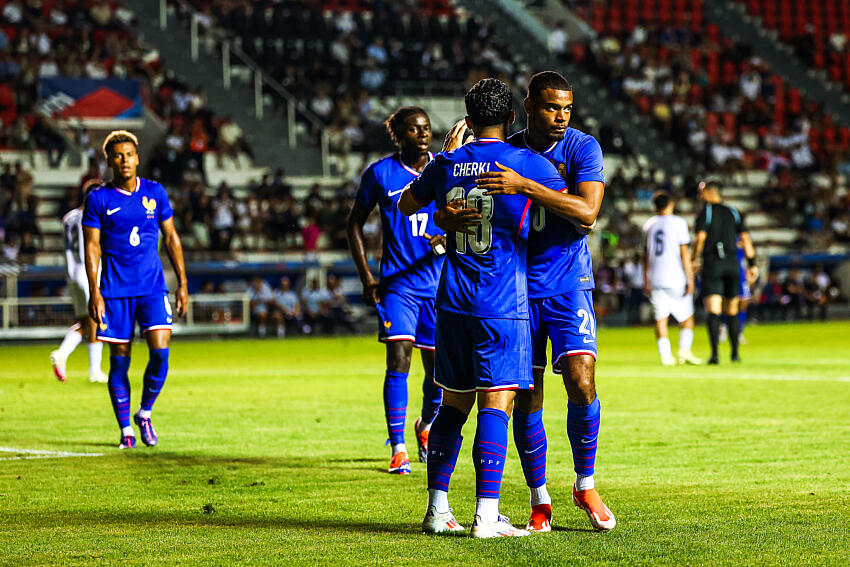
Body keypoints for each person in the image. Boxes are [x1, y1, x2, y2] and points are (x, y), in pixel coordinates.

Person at [441, 71, 615, 533]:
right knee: (527, 394)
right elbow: (455, 208)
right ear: (528, 106)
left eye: (566, 108)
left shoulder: (581, 148)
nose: (560, 118)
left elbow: (588, 214)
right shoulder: (506, 150)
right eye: (551, 108)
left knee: (581, 377)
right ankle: (540, 497)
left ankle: (585, 482)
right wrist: (446, 211)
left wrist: (526, 186)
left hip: (567, 281)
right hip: (514, 287)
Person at [399, 78, 566, 538]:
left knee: (453, 403)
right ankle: (487, 516)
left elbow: (407, 203)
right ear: (512, 118)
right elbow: (578, 208)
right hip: (501, 301)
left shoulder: (448, 161)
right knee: (497, 403)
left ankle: (437, 510)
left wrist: (442, 195)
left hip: (451, 300)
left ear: (467, 120)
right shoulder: (527, 164)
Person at [346, 106, 445, 476]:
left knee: (438, 372)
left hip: (439, 286)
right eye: (414, 129)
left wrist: (448, 234)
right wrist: (366, 276)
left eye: (427, 128)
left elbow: (468, 214)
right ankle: (398, 446)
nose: (422, 134)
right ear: (398, 135)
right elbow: (354, 224)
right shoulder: (380, 174)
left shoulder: (447, 168)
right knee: (398, 359)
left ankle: (426, 427)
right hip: (397, 285)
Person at [82, 130, 188, 449]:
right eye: (118, 155)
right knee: (119, 361)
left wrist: (182, 284)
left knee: (161, 354)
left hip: (152, 288)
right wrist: (94, 291)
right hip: (114, 291)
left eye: (129, 154)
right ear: (109, 160)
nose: (124, 160)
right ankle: (126, 429)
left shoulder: (156, 193)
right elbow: (92, 247)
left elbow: (171, 239)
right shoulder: (99, 198)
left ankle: (145, 412)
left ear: (137, 158)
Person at [692, 179, 757, 364]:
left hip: (713, 264)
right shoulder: (734, 212)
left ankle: (714, 355)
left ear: (710, 192)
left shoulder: (706, 212)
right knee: (732, 309)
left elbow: (700, 237)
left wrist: (694, 257)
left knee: (714, 309)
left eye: (701, 191)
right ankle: (735, 354)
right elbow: (746, 239)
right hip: (733, 265)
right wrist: (752, 264)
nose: (699, 195)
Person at [50, 178, 109, 384]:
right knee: (97, 319)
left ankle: (62, 354)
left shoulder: (68, 217)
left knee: (85, 321)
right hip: (89, 272)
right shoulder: (94, 217)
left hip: (72, 273)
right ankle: (94, 371)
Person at [642, 191, 702, 366]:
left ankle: (665, 356)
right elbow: (684, 254)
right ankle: (684, 351)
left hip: (655, 277)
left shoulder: (649, 224)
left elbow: (645, 255)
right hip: (676, 276)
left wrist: (646, 278)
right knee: (687, 317)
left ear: (655, 206)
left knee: (660, 318)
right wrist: (690, 278)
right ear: (671, 204)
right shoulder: (679, 223)